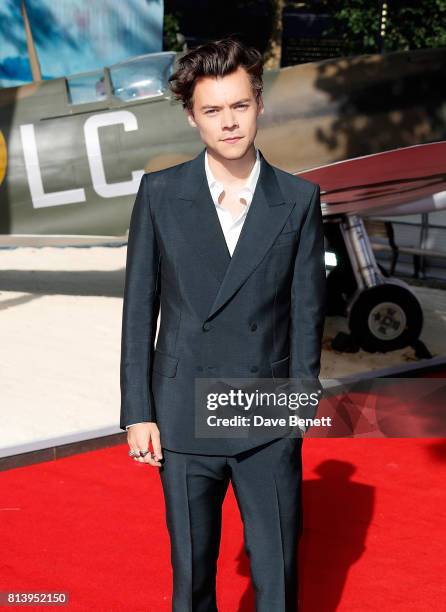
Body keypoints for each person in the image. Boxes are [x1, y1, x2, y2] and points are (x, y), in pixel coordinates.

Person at [120, 36, 326, 612]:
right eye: (213, 110)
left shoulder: (300, 198)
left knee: (278, 573)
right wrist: (138, 410)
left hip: (266, 411)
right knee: (191, 577)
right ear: (192, 116)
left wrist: (300, 405)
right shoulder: (160, 194)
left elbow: (308, 311)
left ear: (259, 103)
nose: (229, 123)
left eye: (239, 105)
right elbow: (140, 309)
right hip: (182, 414)